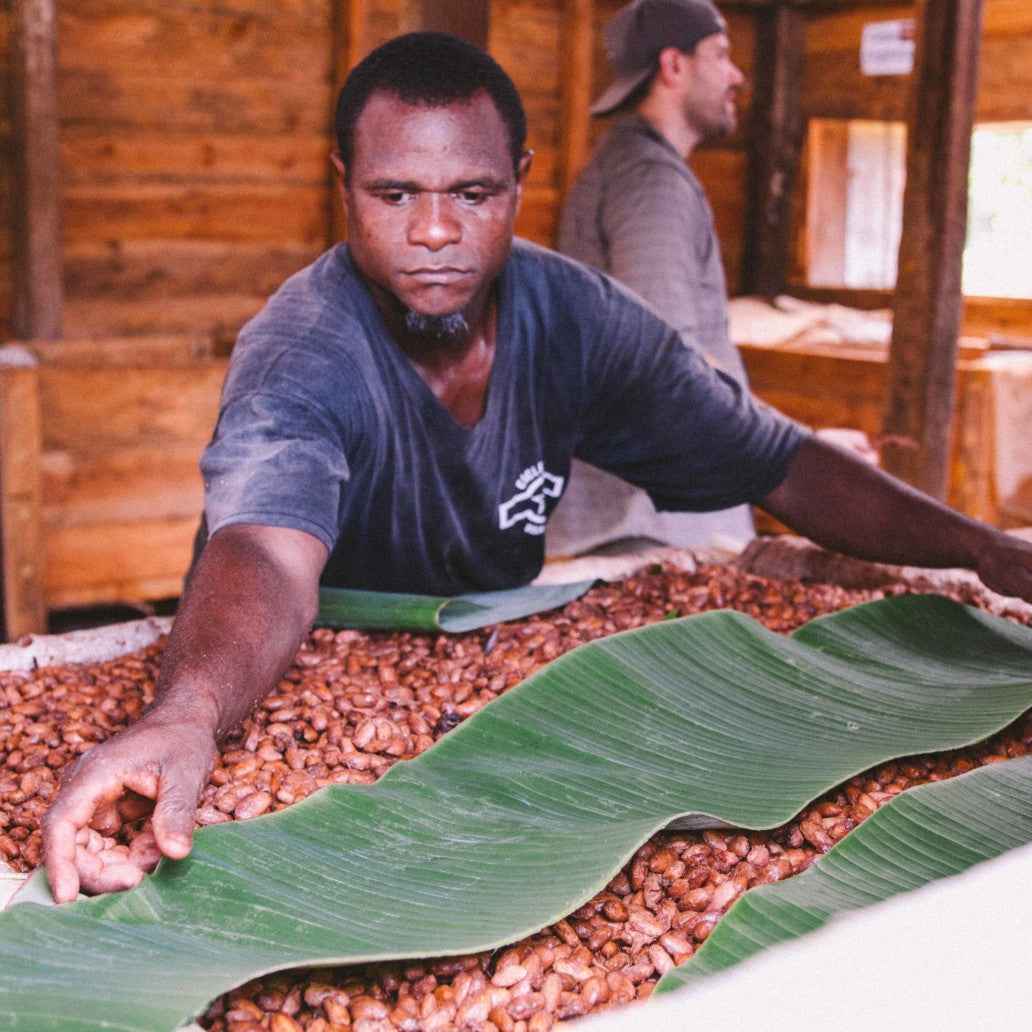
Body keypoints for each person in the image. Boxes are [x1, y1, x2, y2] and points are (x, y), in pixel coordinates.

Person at [41, 31, 1032, 904]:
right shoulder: (303, 352)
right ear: (341, 181)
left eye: (472, 194)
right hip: (296, 684)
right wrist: (188, 716)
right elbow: (266, 553)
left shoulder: (576, 321)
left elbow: (778, 464)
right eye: (395, 195)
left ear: (519, 177)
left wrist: (983, 548)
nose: (434, 231)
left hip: (481, 691)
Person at [546, 0, 872, 557]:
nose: (737, 74)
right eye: (720, 55)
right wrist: (799, 449)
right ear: (674, 67)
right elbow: (672, 370)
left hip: (652, 515)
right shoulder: (651, 183)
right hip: (647, 530)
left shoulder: (629, 166)